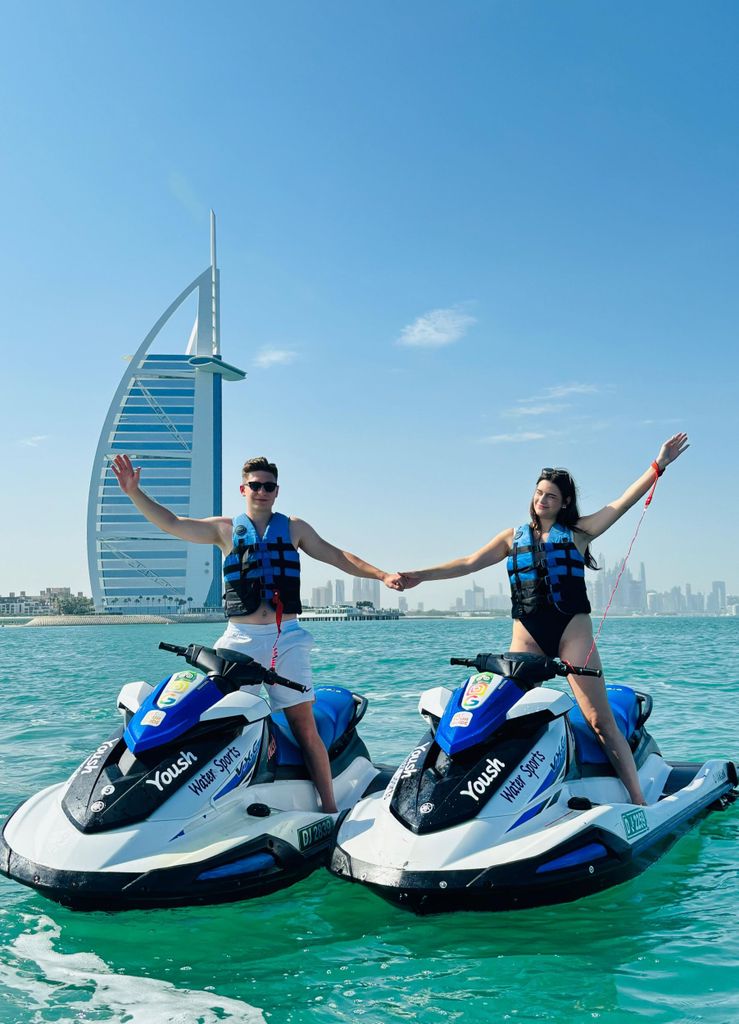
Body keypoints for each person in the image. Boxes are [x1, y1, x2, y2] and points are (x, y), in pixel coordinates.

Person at [400, 433, 690, 806]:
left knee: (600, 721)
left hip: (572, 632)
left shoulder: (580, 533)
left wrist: (658, 464)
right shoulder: (512, 537)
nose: (542, 500)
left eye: (551, 495)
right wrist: (421, 575)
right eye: (539, 493)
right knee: (499, 715)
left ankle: (638, 801)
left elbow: (621, 504)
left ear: (564, 502)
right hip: (527, 637)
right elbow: (468, 563)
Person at [111, 453, 404, 814]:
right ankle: (207, 800)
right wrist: (134, 493)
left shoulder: (295, 528)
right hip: (239, 641)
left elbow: (337, 556)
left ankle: (329, 809)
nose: (261, 491)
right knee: (219, 718)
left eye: (268, 486)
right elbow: (172, 523)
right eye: (255, 485)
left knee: (303, 725)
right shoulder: (223, 530)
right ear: (243, 489)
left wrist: (381, 575)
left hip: (288, 639)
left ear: (276, 491)